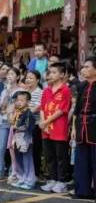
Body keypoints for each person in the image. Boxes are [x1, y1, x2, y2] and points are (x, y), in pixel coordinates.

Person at [39, 63, 72, 193]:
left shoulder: (65, 90)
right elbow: (42, 107)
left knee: (60, 156)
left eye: (54, 72)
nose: (51, 75)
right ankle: (52, 179)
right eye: (50, 72)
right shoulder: (46, 90)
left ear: (62, 74)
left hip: (59, 127)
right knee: (49, 155)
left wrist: (46, 122)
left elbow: (62, 110)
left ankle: (61, 181)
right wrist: (43, 122)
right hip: (46, 128)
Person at [72, 57, 96, 199]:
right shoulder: (81, 86)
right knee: (81, 160)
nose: (83, 70)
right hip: (82, 125)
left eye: (87, 67)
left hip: (94, 125)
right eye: (83, 67)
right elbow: (77, 109)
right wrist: (74, 128)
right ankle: (82, 191)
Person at [0, 66, 23, 180]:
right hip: (5, 121)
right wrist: (7, 93)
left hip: (15, 121)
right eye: (8, 74)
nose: (9, 76)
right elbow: (3, 106)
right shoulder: (5, 90)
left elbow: (18, 106)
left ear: (18, 77)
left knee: (13, 148)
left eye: (12, 74)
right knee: (1, 147)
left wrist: (8, 109)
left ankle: (14, 171)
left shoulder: (21, 90)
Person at [9, 91, 37, 189]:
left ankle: (30, 181)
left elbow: (29, 127)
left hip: (25, 139)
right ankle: (22, 178)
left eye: (21, 100)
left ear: (28, 102)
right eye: (17, 100)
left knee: (27, 159)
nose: (18, 102)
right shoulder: (18, 112)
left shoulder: (29, 114)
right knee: (18, 158)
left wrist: (18, 127)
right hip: (17, 138)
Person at [23, 70, 44, 179]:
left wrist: (23, 111)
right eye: (27, 78)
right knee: (24, 149)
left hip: (34, 125)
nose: (28, 80)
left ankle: (35, 173)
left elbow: (36, 108)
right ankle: (25, 172)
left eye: (31, 78)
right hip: (23, 125)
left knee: (35, 150)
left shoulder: (41, 92)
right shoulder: (24, 92)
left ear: (38, 80)